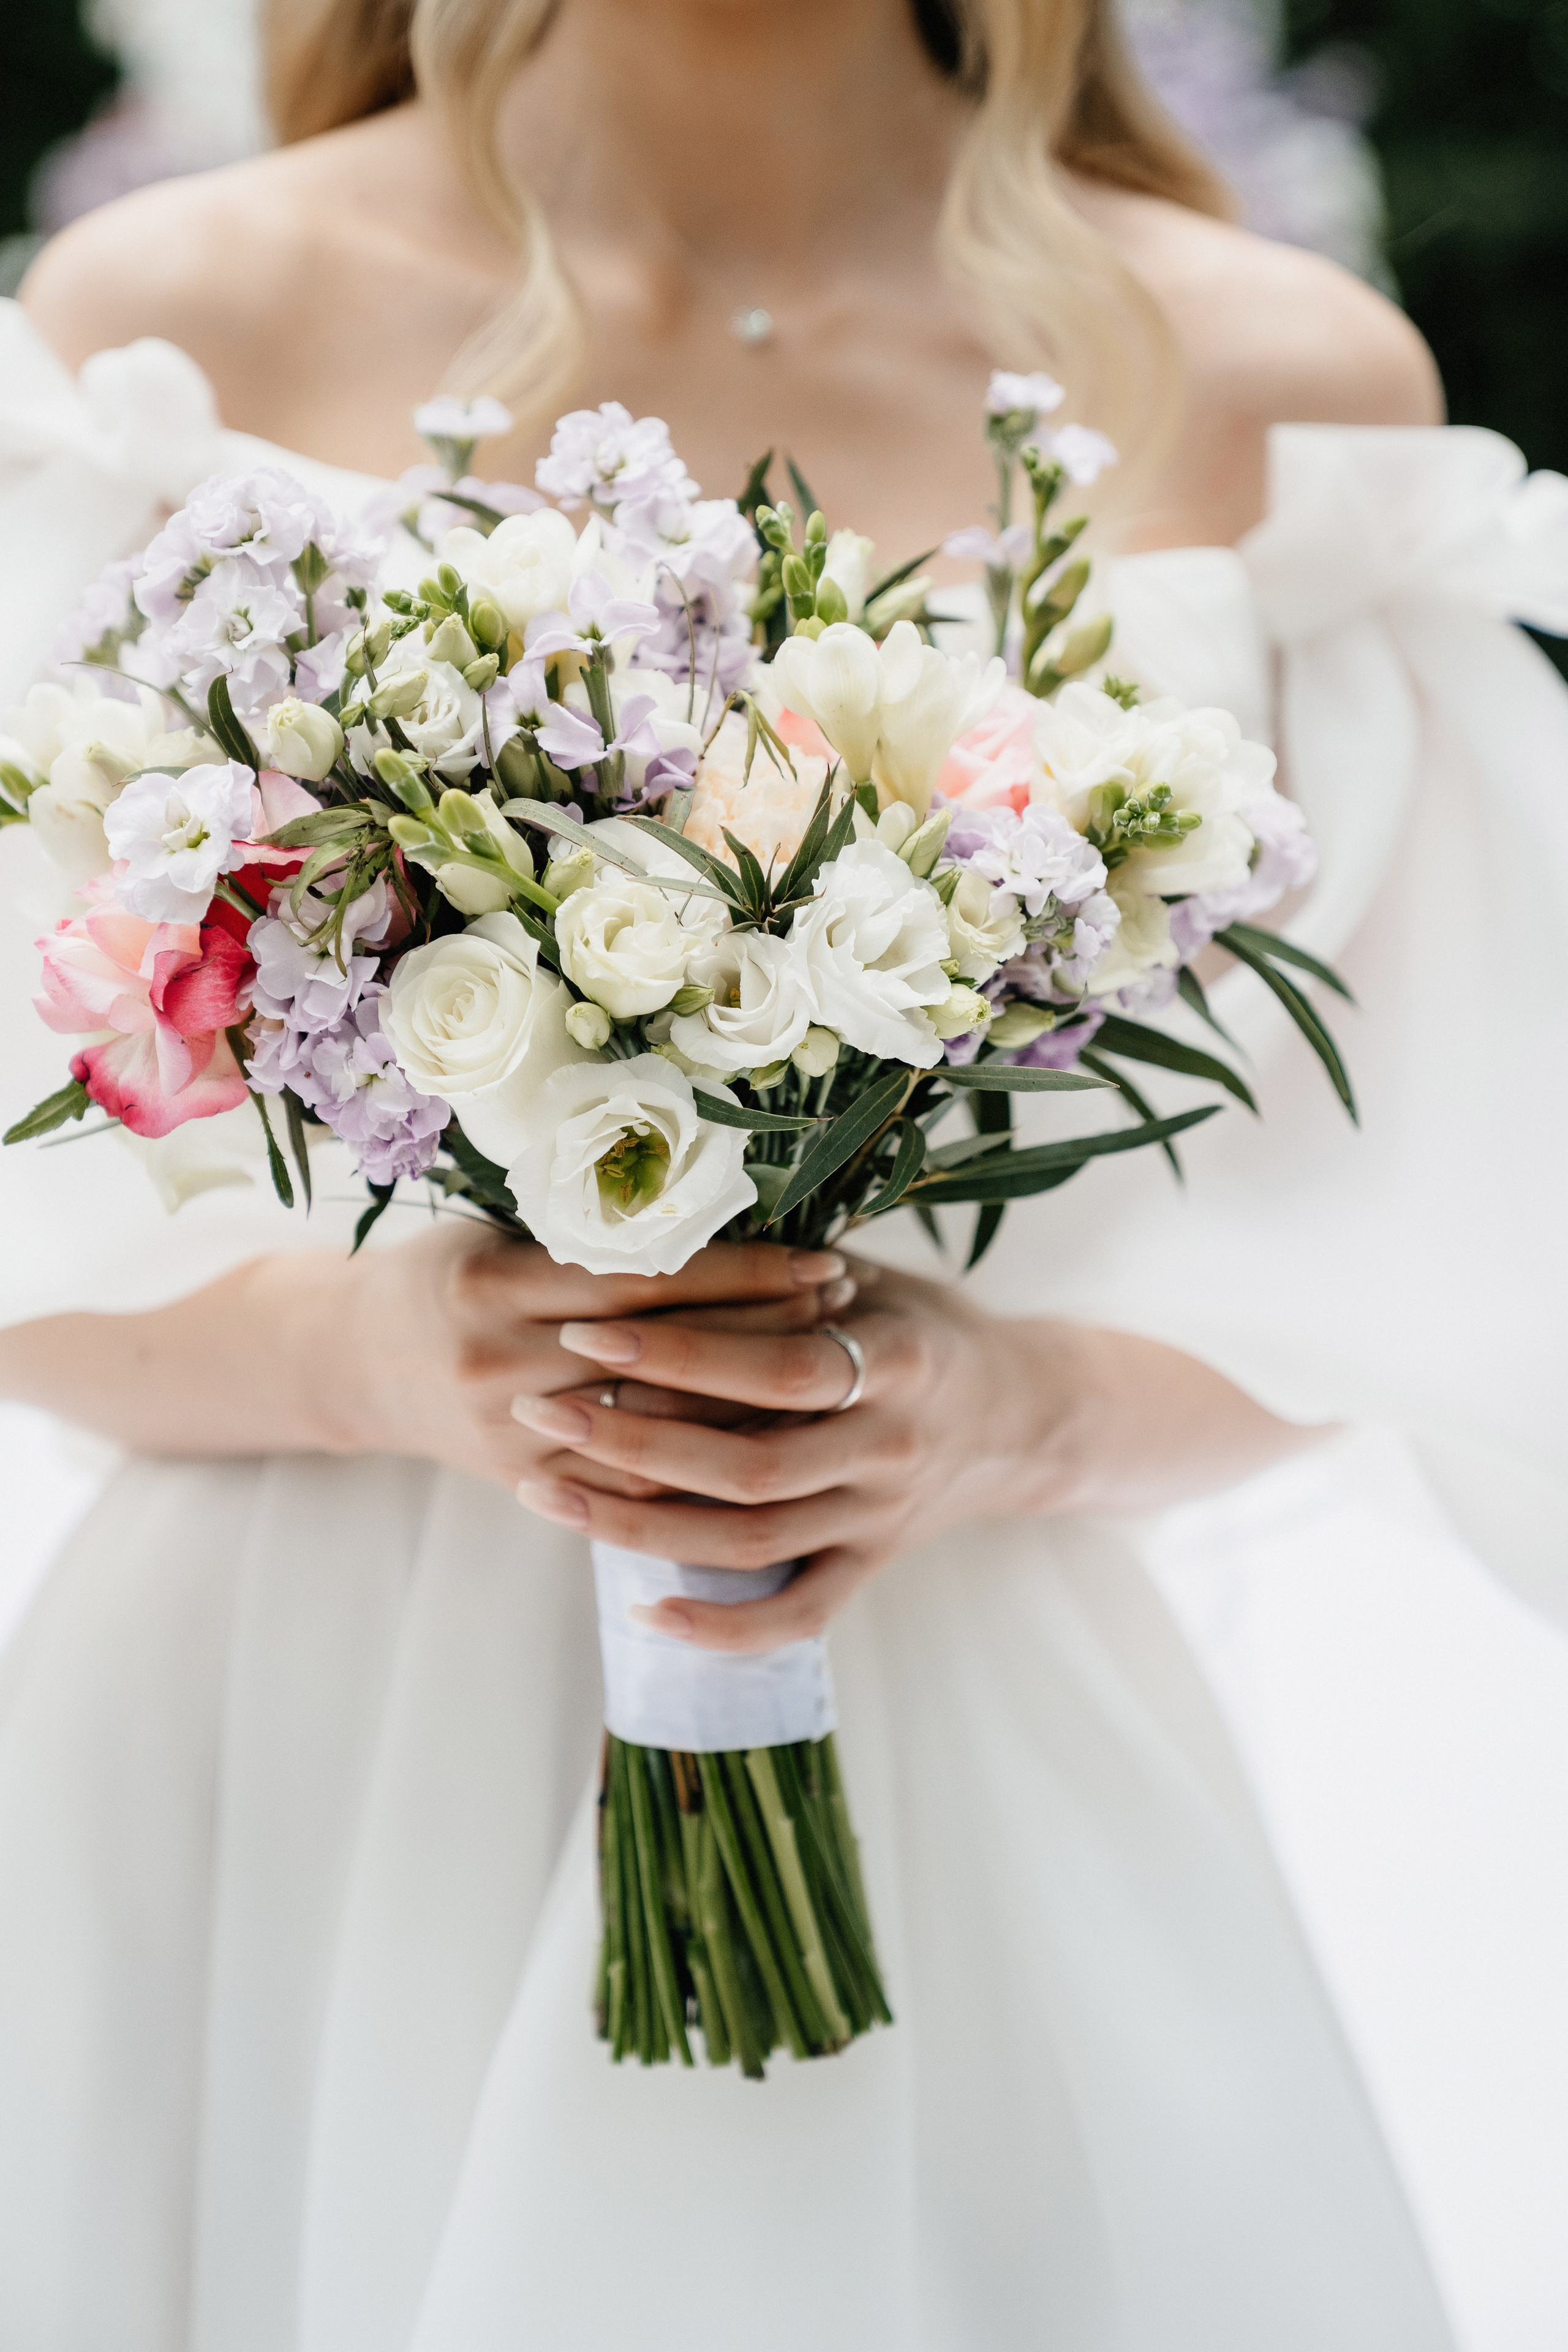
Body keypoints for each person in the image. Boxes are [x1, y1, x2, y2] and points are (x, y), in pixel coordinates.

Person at [0, 2, 1562, 2345]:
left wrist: (998, 1408)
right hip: (269, 1736)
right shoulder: (168, 330)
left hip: (938, 1705)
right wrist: (382, 1351)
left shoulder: (1278, 386)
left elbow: (1429, 1248)